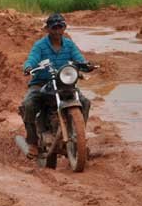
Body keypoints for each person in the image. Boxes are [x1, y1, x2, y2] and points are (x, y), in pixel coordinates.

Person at [21, 13, 92, 158]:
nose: (58, 31)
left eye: (61, 27)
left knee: (85, 102)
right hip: (41, 83)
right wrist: (29, 67)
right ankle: (33, 143)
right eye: (54, 27)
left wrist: (85, 65)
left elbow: (78, 58)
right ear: (48, 29)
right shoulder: (40, 45)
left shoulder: (69, 44)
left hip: (63, 83)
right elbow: (32, 58)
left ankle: (79, 138)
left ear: (64, 28)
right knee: (28, 104)